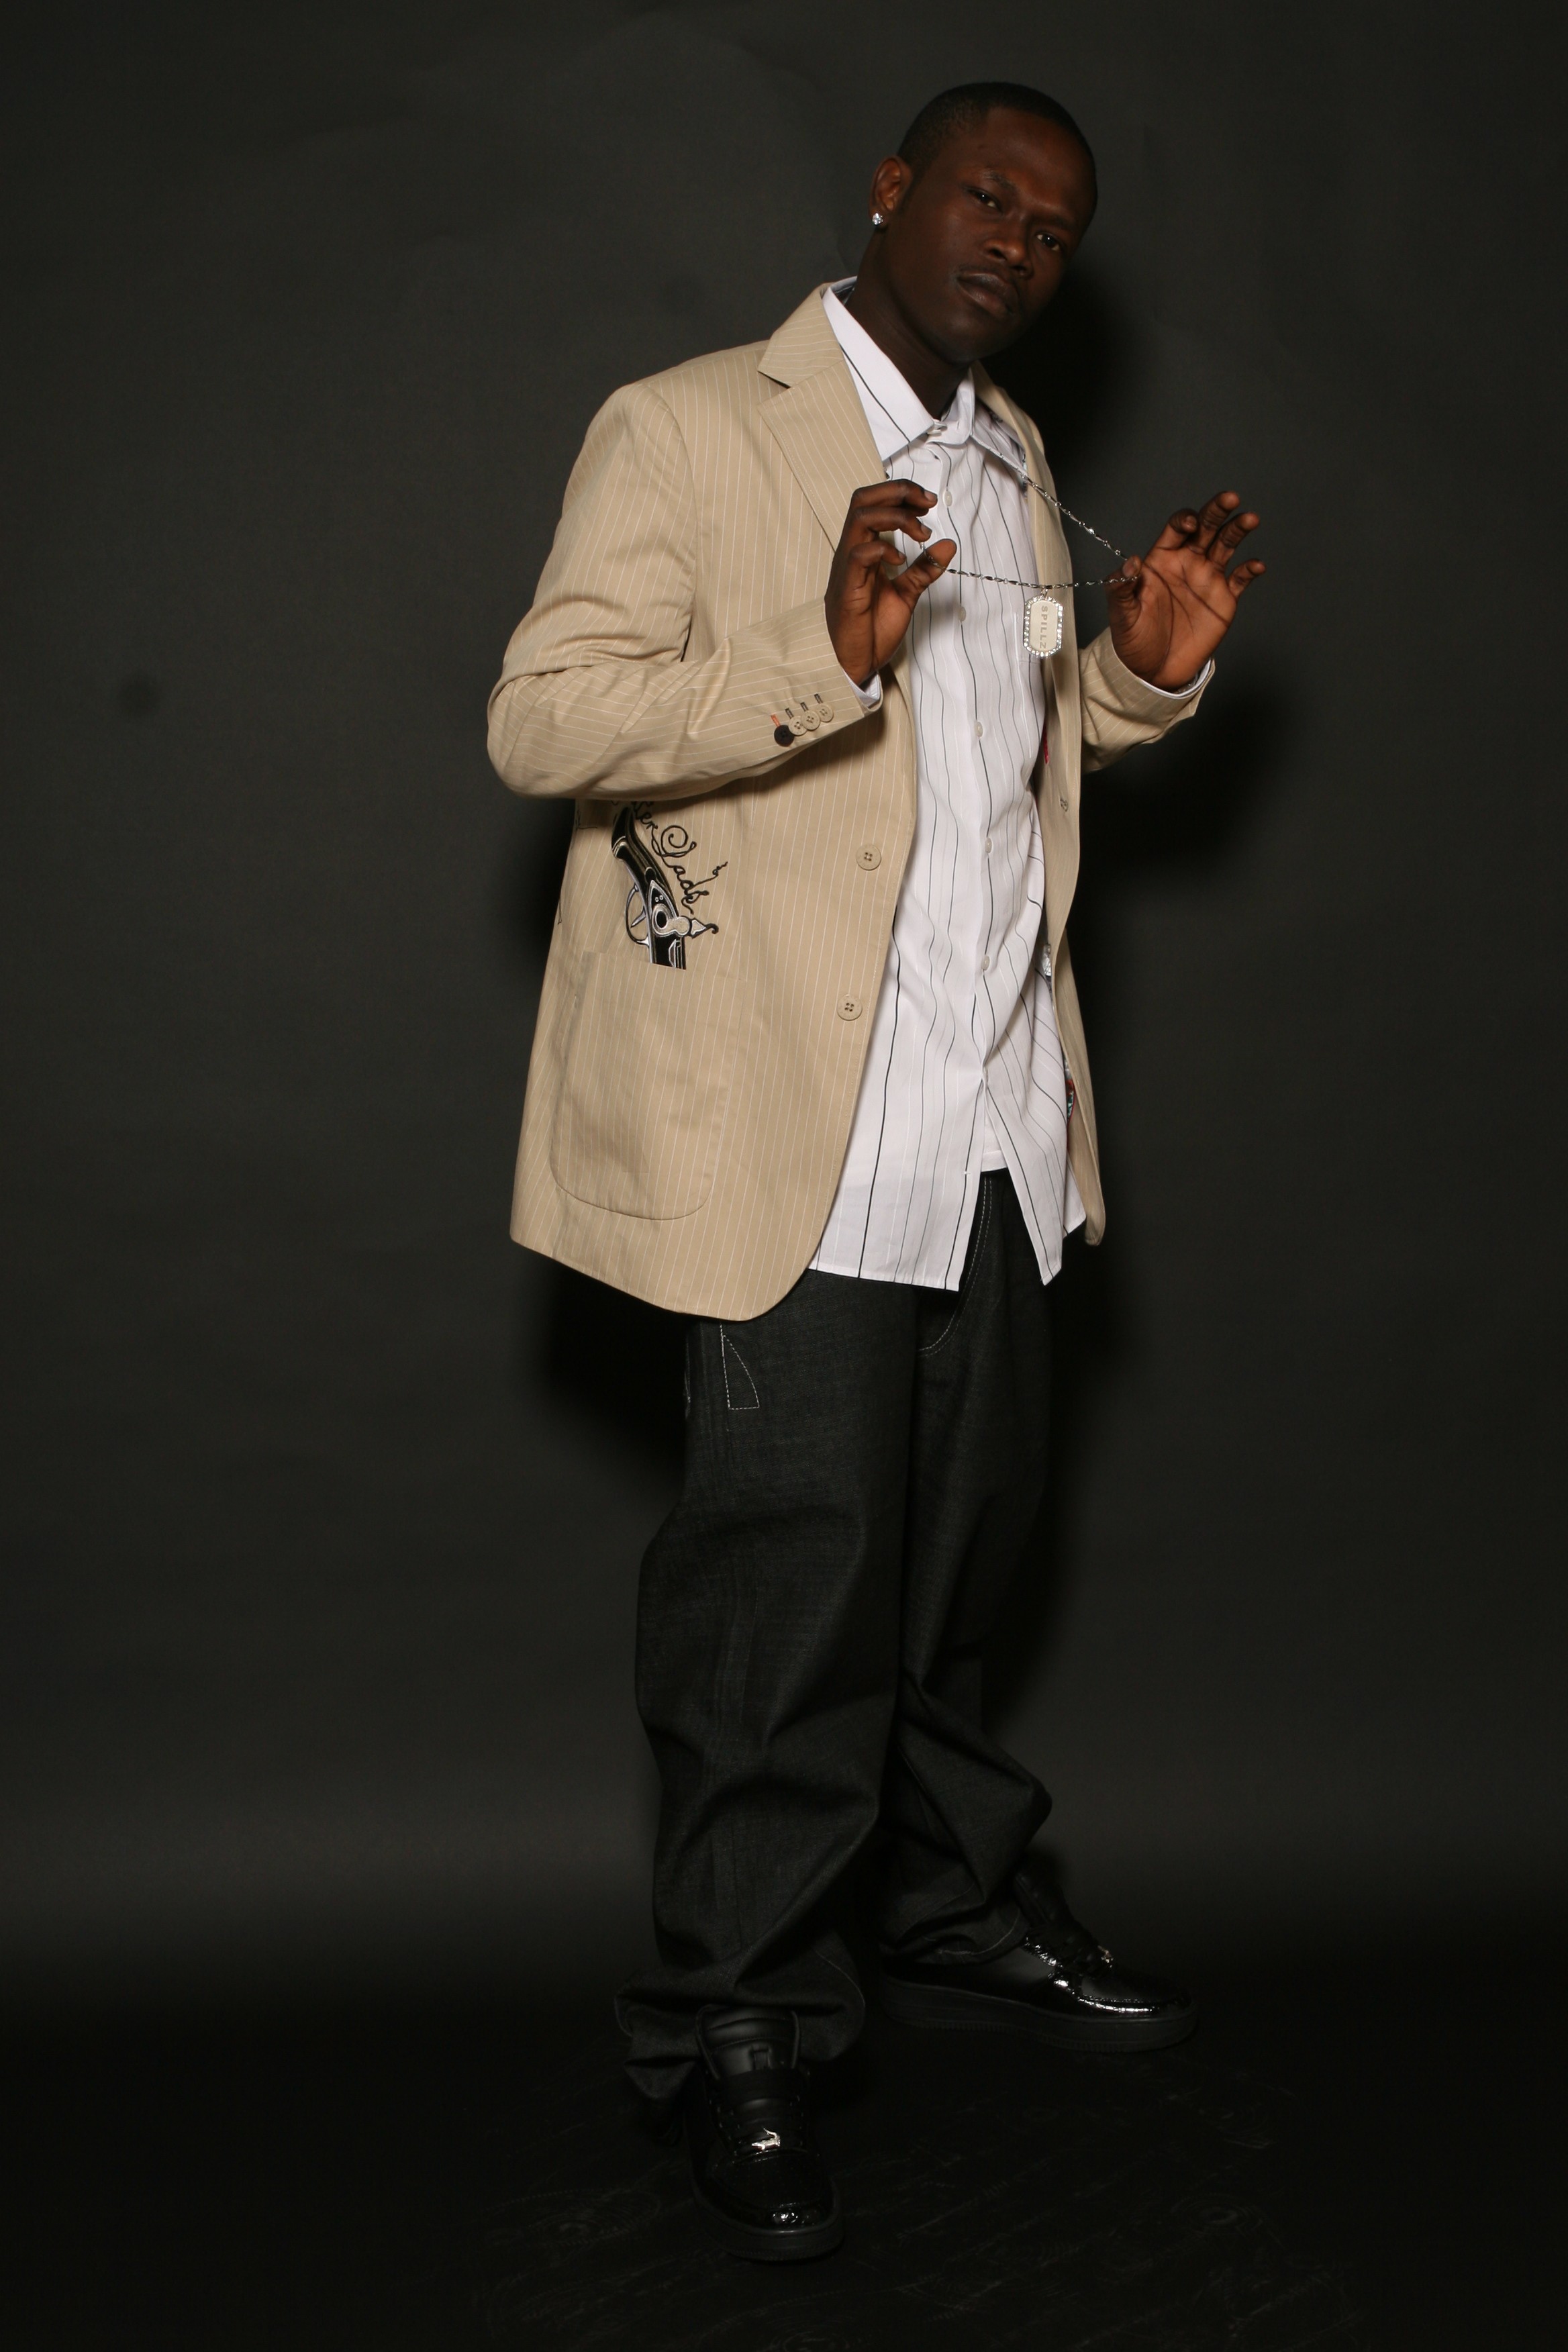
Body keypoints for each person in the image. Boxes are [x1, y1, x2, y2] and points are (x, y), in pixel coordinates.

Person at [487, 81, 1263, 2263]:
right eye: (987, 195)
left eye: (1058, 223)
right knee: (787, 1596)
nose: (1019, 240)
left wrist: (1135, 683)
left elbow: (998, 763)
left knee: (953, 1570)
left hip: (995, 1124)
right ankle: (738, 2022)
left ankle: (948, 1907)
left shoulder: (1014, 457)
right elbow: (545, 719)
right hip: (796, 1134)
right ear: (892, 191)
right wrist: (816, 656)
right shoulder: (689, 427)